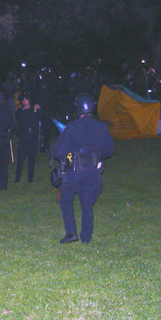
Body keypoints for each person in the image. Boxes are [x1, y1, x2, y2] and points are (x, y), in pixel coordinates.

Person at [51, 93, 114, 245]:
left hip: (74, 172)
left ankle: (71, 232)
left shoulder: (72, 127)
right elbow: (109, 150)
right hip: (92, 171)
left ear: (78, 110)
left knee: (66, 201)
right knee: (87, 204)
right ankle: (86, 236)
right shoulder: (101, 127)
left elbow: (59, 150)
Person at [14, 92, 41, 184]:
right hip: (23, 137)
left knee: (31, 159)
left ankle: (30, 178)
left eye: (27, 100)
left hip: (32, 136)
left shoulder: (34, 110)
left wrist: (36, 109)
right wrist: (26, 110)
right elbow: (20, 118)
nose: (25, 102)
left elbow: (37, 119)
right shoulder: (19, 111)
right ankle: (17, 178)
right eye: (23, 100)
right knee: (20, 158)